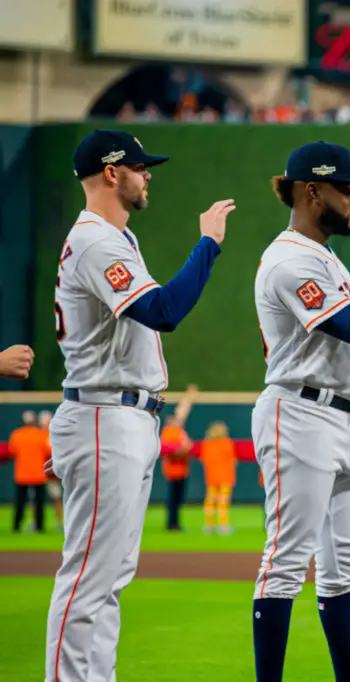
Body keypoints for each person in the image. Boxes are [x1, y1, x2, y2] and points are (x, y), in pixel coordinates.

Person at [45, 129, 233, 682]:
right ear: (111, 172)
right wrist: (208, 244)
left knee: (109, 578)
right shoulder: (98, 240)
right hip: (105, 415)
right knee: (89, 577)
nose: (148, 173)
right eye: (139, 166)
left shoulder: (114, 239)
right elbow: (164, 310)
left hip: (118, 416)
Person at [251, 141, 350, 682]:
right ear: (311, 191)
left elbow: (344, 358)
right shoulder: (288, 259)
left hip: (342, 419)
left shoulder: (325, 258)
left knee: (344, 574)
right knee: (287, 563)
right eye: (345, 189)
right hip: (298, 413)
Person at [160, 384, 198, 531]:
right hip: (173, 470)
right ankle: (172, 524)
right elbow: (171, 450)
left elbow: (182, 411)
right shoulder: (169, 432)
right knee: (174, 499)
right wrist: (185, 448)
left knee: (178, 498)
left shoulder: (177, 431)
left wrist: (188, 397)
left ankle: (174, 523)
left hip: (182, 469)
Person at [9, 411, 49, 532]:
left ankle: (16, 526)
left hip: (22, 474)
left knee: (20, 502)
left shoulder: (16, 435)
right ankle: (39, 526)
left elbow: (12, 452)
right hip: (38, 474)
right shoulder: (42, 434)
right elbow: (48, 451)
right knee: (39, 503)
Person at [200, 420, 236, 534]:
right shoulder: (227, 442)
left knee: (210, 501)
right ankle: (223, 525)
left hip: (211, 476)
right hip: (225, 476)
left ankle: (209, 525)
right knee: (223, 502)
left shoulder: (206, 444)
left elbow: (204, 460)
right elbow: (232, 460)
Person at [38, 411, 63, 530]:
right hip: (37, 473)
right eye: (43, 421)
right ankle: (35, 523)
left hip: (51, 474)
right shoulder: (37, 434)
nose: (45, 423)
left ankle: (59, 523)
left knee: (56, 498)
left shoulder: (54, 435)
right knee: (35, 500)